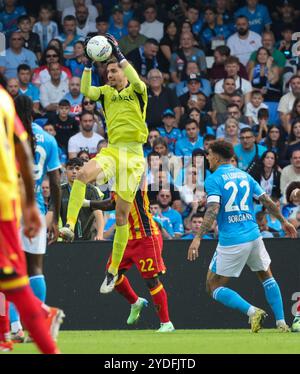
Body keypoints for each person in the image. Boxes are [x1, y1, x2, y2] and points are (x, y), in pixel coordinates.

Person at [60, 34, 148, 294]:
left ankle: (113, 271)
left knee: (121, 216)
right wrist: (88, 63)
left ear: (123, 71)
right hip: (113, 150)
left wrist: (119, 53)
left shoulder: (136, 90)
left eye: (113, 70)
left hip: (134, 157)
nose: (109, 74)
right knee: (82, 175)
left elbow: (138, 81)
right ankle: (68, 226)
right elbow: (87, 91)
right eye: (106, 71)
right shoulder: (106, 93)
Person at [187, 140, 297, 332]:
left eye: (209, 154)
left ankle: (253, 311)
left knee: (212, 286)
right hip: (254, 236)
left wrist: (197, 237)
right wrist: (283, 221)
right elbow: (266, 200)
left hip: (232, 240)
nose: (207, 158)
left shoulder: (213, 179)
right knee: (266, 275)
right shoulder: (245, 175)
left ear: (217, 157)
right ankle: (281, 322)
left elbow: (213, 209)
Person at [0, 85, 63, 353]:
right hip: (26, 205)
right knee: (29, 271)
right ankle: (19, 326)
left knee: (11, 275)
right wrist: (54, 216)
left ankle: (14, 326)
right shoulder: (44, 138)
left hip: (10, 203)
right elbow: (56, 182)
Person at [83, 178, 174, 332]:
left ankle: (166, 323)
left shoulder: (135, 176)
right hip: (126, 237)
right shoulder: (117, 180)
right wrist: (87, 203)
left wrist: (87, 203)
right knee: (112, 273)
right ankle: (135, 302)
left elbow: (114, 204)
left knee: (151, 281)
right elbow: (113, 202)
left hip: (146, 237)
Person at [49, 157, 104, 241]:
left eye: (78, 168)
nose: (74, 171)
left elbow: (99, 215)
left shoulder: (91, 190)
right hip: (66, 240)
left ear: (83, 171)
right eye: (70, 168)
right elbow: (51, 213)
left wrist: (100, 234)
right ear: (65, 172)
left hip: (89, 240)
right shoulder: (59, 191)